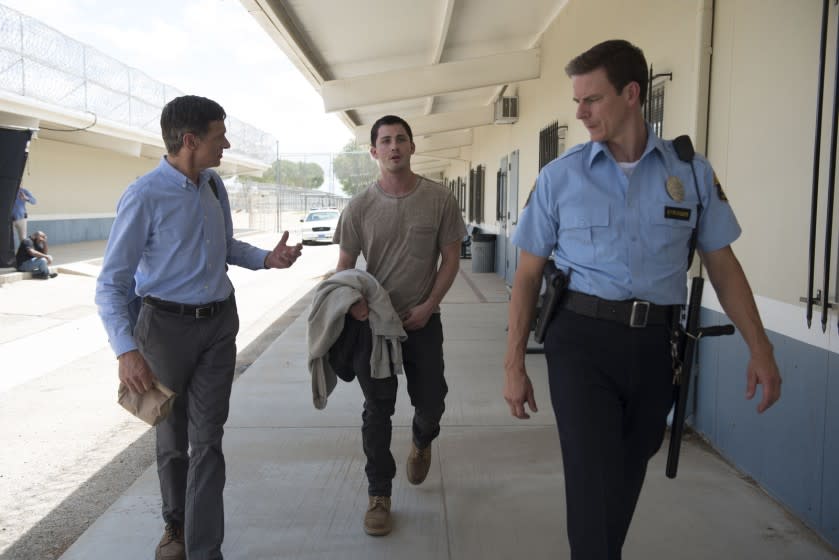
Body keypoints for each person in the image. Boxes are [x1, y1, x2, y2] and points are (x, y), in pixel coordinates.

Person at [503, 40, 782, 560]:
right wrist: (513, 362)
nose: (581, 113)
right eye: (577, 102)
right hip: (580, 341)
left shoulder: (691, 175)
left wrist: (760, 348)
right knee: (592, 475)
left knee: (629, 467)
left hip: (657, 344)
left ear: (632, 94)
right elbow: (526, 276)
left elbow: (722, 265)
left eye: (592, 100)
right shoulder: (560, 178)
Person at [95, 95, 302, 560]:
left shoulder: (212, 186)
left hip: (217, 326)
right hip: (163, 330)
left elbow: (225, 245)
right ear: (190, 140)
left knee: (208, 440)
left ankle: (206, 549)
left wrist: (266, 259)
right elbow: (111, 283)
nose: (225, 144)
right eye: (218, 135)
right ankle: (176, 528)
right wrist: (126, 349)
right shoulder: (144, 195)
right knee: (171, 438)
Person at [333, 114, 466, 536]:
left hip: (423, 321)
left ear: (411, 147)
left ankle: (423, 440)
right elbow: (344, 268)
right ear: (373, 151)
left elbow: (451, 259)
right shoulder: (358, 207)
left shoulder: (439, 198)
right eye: (385, 141)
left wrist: (429, 305)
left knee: (432, 402)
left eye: (400, 139)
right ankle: (379, 495)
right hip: (376, 328)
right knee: (377, 411)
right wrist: (354, 303)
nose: (393, 147)